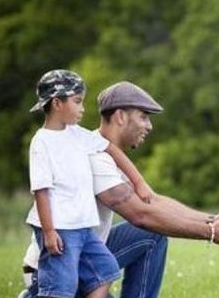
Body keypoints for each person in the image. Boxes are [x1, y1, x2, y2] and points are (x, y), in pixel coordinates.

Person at [20, 80, 219, 298]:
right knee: (150, 227)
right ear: (120, 117)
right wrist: (211, 233)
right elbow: (141, 215)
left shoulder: (106, 152)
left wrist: (211, 220)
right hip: (56, 262)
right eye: (144, 116)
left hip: (82, 255)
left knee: (153, 235)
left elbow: (152, 202)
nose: (150, 126)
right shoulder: (91, 156)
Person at [26, 70, 154, 298]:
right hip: (60, 227)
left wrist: (139, 182)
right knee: (60, 288)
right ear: (57, 103)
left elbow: (111, 149)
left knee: (105, 270)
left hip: (83, 227)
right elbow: (41, 191)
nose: (83, 109)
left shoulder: (77, 134)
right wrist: (48, 231)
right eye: (77, 102)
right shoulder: (42, 142)